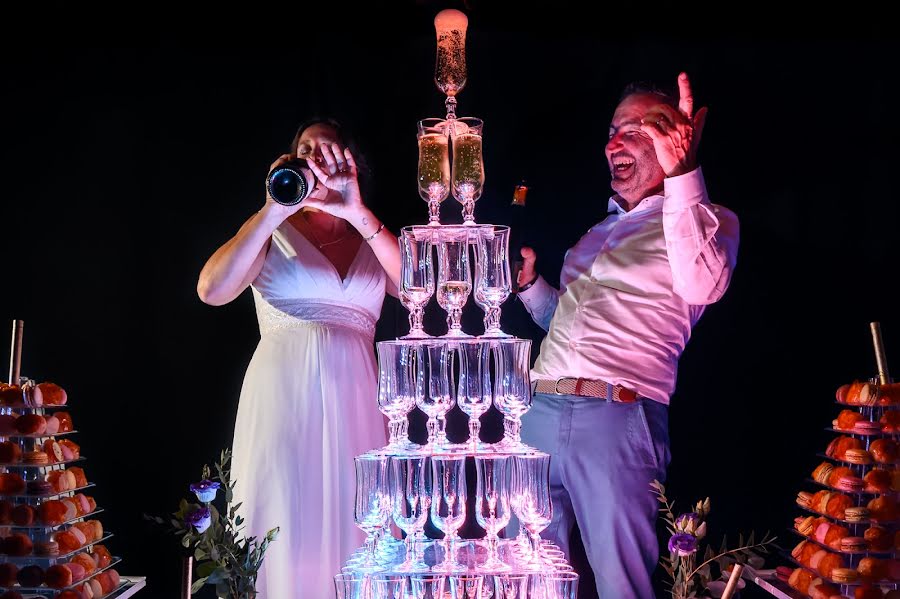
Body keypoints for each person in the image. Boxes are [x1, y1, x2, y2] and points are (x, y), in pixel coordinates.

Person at [515, 73, 740, 598]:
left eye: (637, 130)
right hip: (539, 412)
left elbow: (703, 283)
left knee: (623, 586)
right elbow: (573, 327)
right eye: (614, 131)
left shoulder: (709, 220)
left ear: (677, 138)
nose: (613, 143)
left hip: (618, 418)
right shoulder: (595, 233)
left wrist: (683, 173)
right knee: (526, 578)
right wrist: (532, 289)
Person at [196, 118, 400, 597]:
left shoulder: (369, 232)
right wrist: (272, 208)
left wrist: (357, 212)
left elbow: (422, 295)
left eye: (326, 149)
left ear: (350, 163)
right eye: (304, 149)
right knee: (285, 517)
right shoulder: (272, 229)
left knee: (358, 522)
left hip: (358, 400)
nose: (314, 156)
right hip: (282, 396)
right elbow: (211, 290)